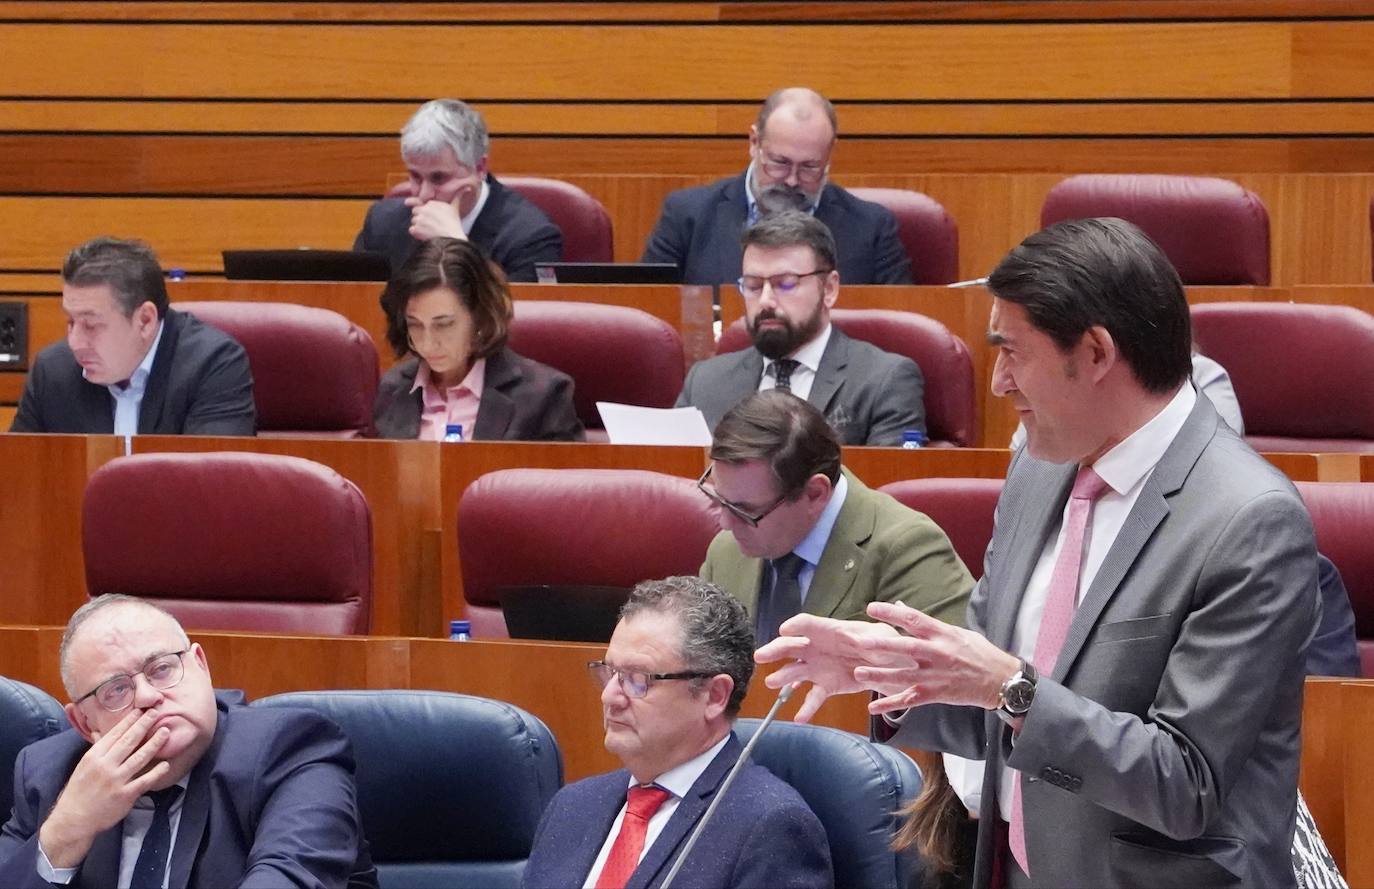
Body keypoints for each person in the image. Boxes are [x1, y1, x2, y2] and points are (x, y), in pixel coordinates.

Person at [757, 217, 1319, 888]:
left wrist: (1011, 688)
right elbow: (995, 699)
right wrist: (898, 667)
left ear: (1095, 353)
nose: (997, 382)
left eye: (1012, 351)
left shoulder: (1249, 519)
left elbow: (1184, 782)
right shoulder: (1038, 468)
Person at [0, 594, 376, 888]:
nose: (147, 696)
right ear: (84, 722)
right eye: (116, 690)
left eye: (161, 669)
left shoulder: (291, 750)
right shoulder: (48, 777)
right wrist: (67, 829)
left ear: (200, 665)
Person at [522, 576, 832, 889]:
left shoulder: (770, 826)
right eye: (610, 672)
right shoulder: (571, 807)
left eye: (638, 679)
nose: (609, 697)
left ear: (714, 696)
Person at [697, 390, 970, 645]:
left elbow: (945, 681)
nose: (725, 524)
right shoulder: (725, 553)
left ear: (815, 494)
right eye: (720, 500)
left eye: (746, 511)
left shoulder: (907, 549)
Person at [676, 211, 925, 445]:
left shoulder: (883, 380)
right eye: (753, 286)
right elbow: (675, 481)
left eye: (785, 284)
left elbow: (887, 484)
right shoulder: (705, 382)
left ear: (829, 289)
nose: (765, 301)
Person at [641, 87, 912, 285]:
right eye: (780, 163)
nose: (792, 180)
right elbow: (651, 314)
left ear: (830, 154)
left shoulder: (872, 228)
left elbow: (899, 329)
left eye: (809, 167)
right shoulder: (687, 215)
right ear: (754, 142)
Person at [10, 237, 255, 436]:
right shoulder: (53, 372)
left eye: (91, 325)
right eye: (71, 321)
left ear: (145, 320)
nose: (75, 343)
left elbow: (213, 484)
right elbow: (17, 481)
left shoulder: (214, 365)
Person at [372, 237, 583, 441]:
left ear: (480, 318)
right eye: (415, 325)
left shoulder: (544, 396)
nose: (427, 343)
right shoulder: (389, 390)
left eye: (444, 324)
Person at [353, 98, 561, 282]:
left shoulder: (531, 236)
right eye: (415, 176)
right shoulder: (382, 223)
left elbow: (518, 316)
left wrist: (457, 244)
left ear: (479, 168)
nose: (424, 194)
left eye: (439, 178)